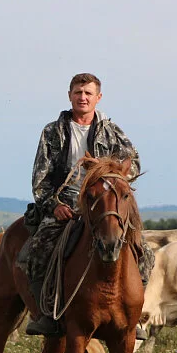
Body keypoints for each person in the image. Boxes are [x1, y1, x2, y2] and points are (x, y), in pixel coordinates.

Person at [19, 73, 153, 338]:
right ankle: (46, 315)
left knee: (145, 252)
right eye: (78, 92)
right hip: (65, 201)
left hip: (103, 200)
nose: (83, 97)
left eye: (88, 93)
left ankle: (132, 315)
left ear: (97, 98)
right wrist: (53, 205)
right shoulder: (52, 132)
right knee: (36, 250)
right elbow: (40, 179)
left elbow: (133, 163)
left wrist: (111, 174)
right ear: (69, 95)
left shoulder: (112, 131)